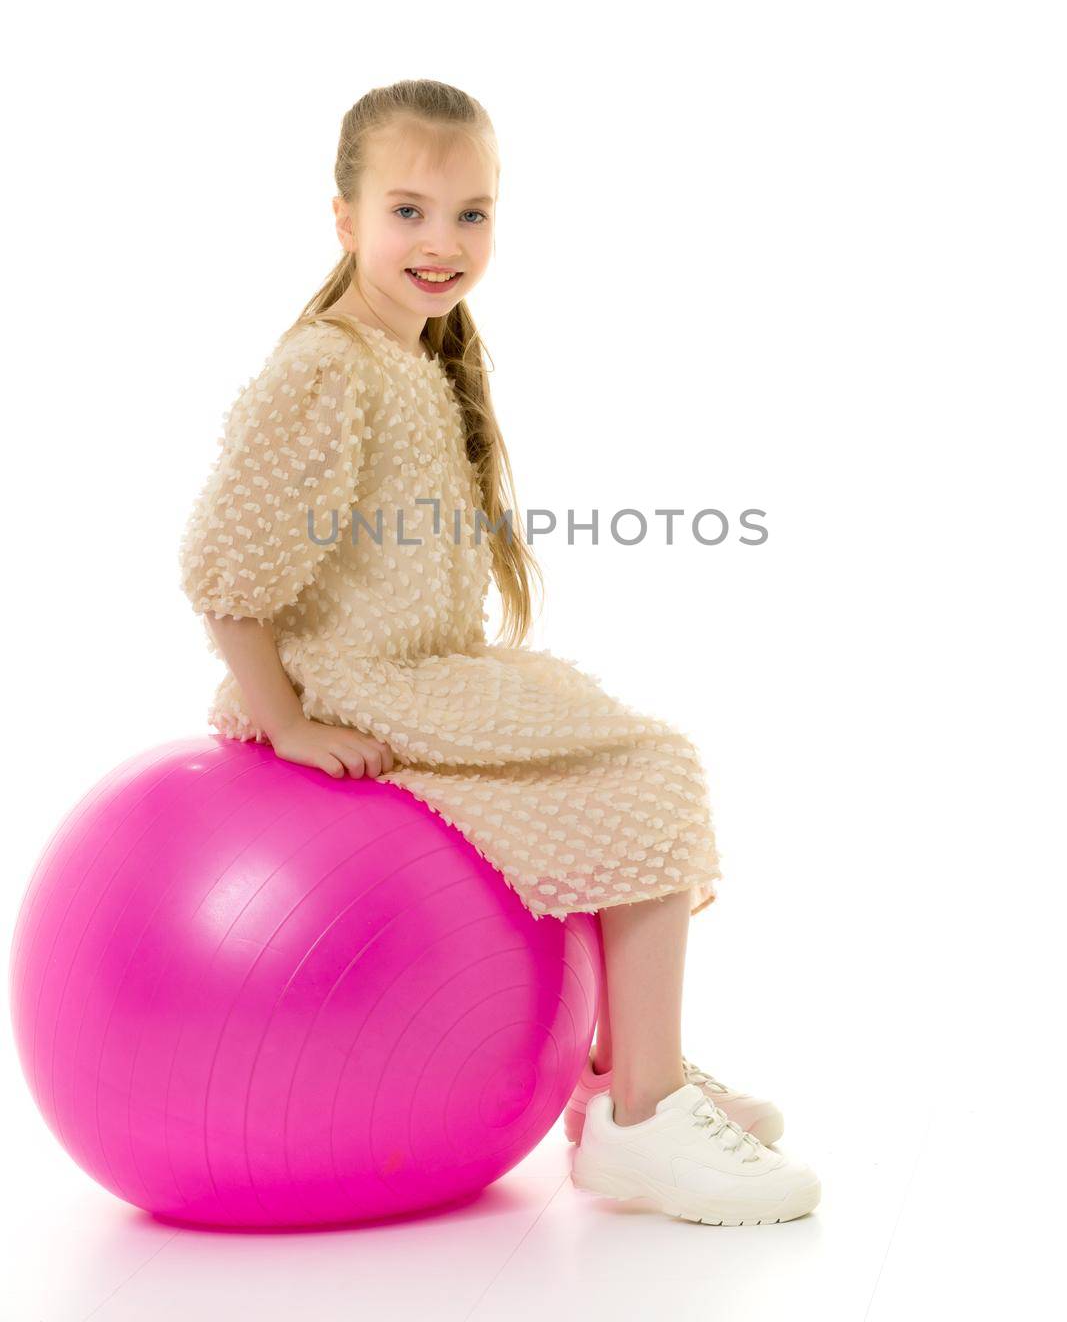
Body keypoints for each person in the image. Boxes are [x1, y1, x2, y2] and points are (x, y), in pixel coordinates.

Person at [177, 78, 820, 1225]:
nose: (441, 242)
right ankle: (639, 1118)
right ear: (344, 219)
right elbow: (228, 565)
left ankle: (629, 1071)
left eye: (470, 214)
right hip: (364, 680)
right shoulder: (329, 366)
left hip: (425, 665)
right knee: (650, 767)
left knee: (635, 751)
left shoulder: (415, 357)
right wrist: (286, 719)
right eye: (408, 211)